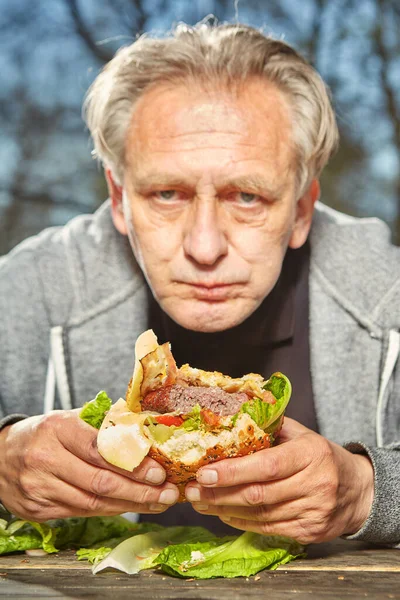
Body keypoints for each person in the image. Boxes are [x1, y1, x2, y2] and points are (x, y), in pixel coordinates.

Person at [0, 22, 398, 547]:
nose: (205, 247)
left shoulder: (386, 296)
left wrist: (369, 491)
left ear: (302, 209)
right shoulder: (29, 288)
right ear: (119, 200)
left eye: (247, 197)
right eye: (167, 193)